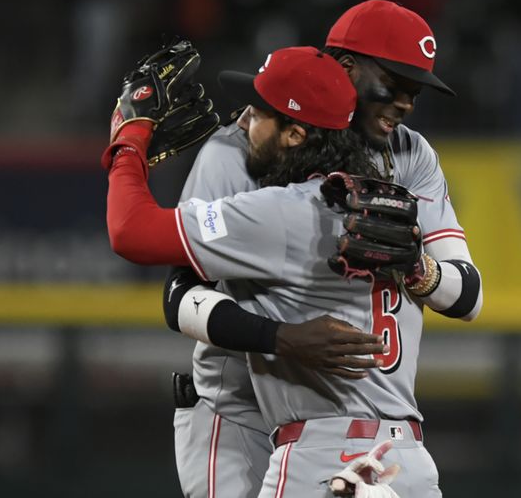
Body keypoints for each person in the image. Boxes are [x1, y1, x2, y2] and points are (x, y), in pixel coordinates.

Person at [105, 43, 473, 496]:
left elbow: (130, 232)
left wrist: (129, 137)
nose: (244, 122)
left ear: (296, 135)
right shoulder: (388, 203)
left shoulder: (283, 211)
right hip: (408, 460)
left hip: (321, 459)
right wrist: (421, 269)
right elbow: (466, 296)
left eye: (259, 113)